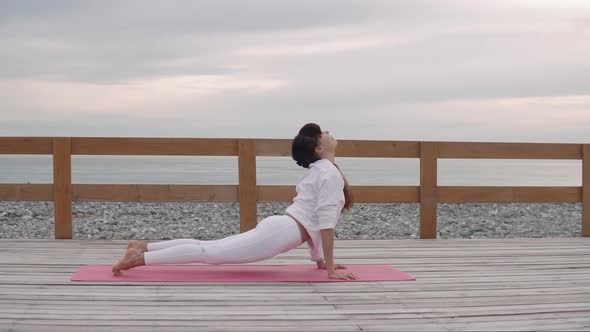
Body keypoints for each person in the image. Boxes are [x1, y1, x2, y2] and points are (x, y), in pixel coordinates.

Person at [111, 123, 359, 280]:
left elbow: (316, 222)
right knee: (210, 252)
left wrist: (322, 262)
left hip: (282, 227)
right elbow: (324, 225)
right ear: (318, 149)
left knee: (208, 246)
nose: (327, 132)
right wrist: (329, 270)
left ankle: (144, 247)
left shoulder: (322, 171)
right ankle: (139, 259)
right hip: (279, 233)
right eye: (322, 133)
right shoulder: (327, 172)